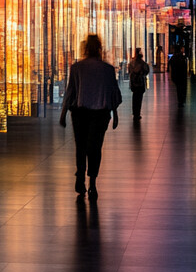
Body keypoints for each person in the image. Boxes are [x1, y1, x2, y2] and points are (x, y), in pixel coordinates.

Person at [59, 34, 122, 200]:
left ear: (85, 48)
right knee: (95, 147)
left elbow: (70, 92)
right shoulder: (107, 69)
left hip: (80, 113)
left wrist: (64, 113)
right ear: (100, 48)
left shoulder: (77, 68)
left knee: (81, 146)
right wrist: (115, 114)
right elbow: (113, 93)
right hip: (100, 113)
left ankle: (80, 176)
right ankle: (92, 181)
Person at [128, 48, 150, 120]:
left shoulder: (131, 63)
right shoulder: (143, 64)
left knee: (134, 98)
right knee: (139, 98)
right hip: (140, 83)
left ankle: (135, 112)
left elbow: (129, 71)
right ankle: (137, 113)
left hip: (133, 83)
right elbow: (146, 71)